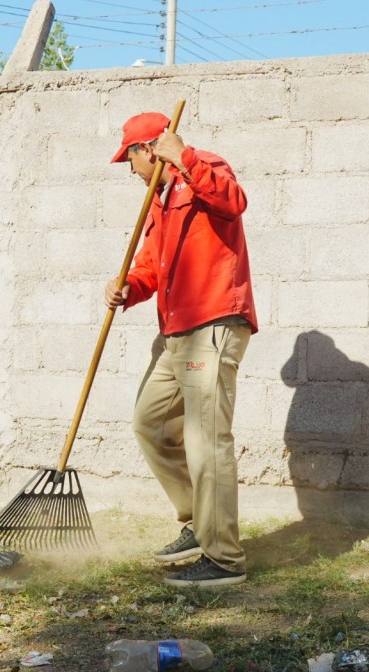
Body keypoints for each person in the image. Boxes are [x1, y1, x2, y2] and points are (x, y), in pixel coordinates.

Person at [105, 112, 258, 587]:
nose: (130, 171)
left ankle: (223, 558)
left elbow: (234, 202)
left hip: (212, 324)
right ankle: (198, 522)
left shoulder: (204, 168)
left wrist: (185, 158)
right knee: (149, 422)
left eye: (130, 159)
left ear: (148, 150)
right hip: (175, 330)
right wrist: (129, 286)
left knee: (205, 439)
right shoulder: (160, 201)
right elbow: (153, 265)